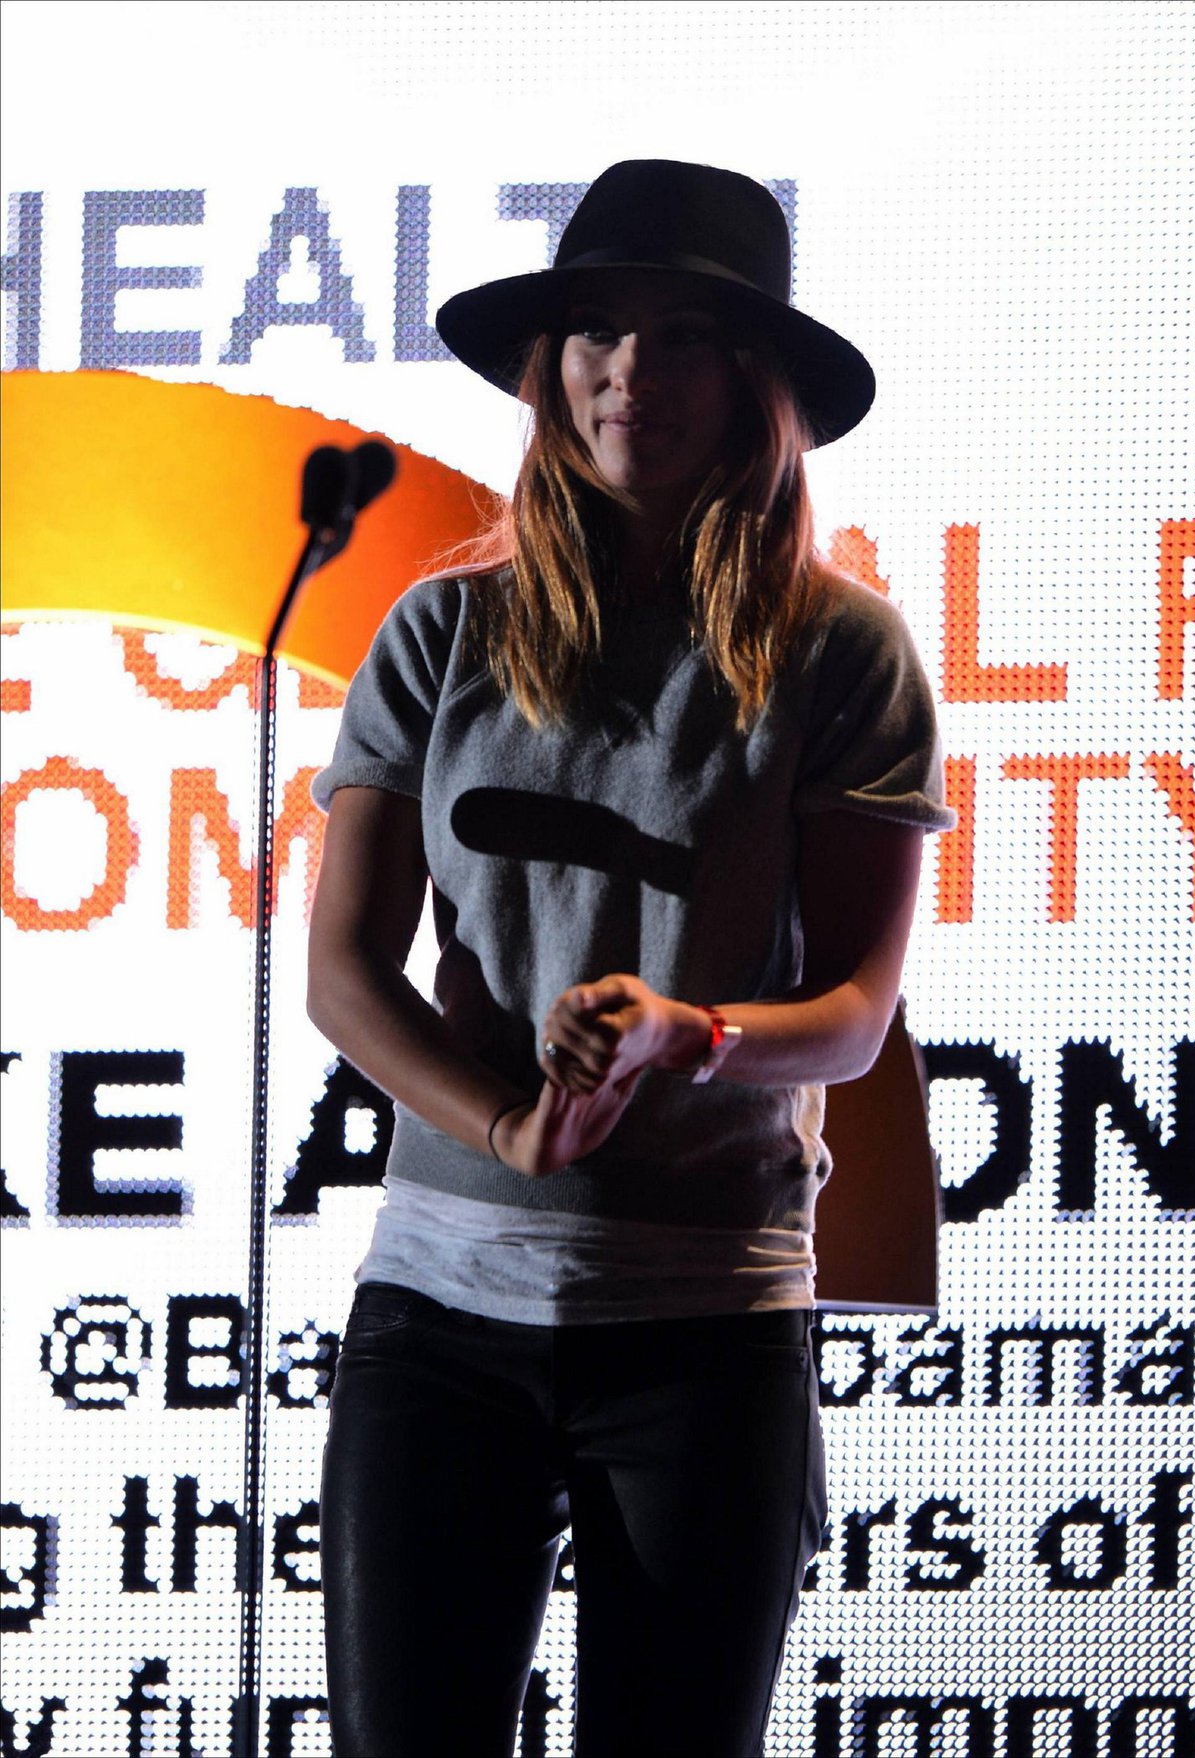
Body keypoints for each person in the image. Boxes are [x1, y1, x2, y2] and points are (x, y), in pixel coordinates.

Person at [308, 159, 955, 1758]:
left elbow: (854, 1015)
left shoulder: (844, 649)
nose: (629, 371)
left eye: (682, 335)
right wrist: (505, 1123)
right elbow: (342, 973)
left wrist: (689, 1032)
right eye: (597, 328)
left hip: (707, 1330)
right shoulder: (439, 630)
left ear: (754, 381)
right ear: (550, 368)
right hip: (438, 1319)